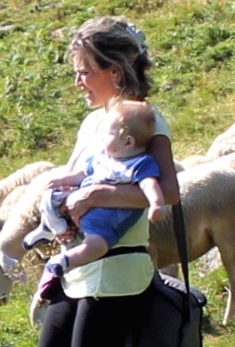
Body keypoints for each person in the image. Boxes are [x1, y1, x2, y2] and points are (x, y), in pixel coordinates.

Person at [10, 16, 222, 347]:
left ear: (115, 70)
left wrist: (100, 195)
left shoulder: (144, 119)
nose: (77, 81)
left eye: (85, 71)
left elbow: (167, 191)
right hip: (77, 267)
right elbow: (86, 177)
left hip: (117, 272)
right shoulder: (92, 124)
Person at [24, 99, 163, 302]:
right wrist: (64, 180)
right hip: (79, 211)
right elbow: (82, 173)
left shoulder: (139, 164)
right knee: (49, 199)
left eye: (108, 134)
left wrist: (157, 203)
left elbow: (149, 185)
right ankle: (46, 229)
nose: (102, 139)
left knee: (96, 246)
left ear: (128, 142)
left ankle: (64, 261)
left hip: (105, 224)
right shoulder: (102, 158)